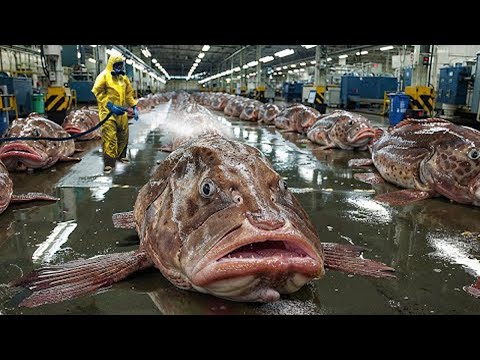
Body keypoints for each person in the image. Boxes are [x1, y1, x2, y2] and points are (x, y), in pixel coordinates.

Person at [92, 53, 139, 174]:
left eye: (120, 65)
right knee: (110, 137)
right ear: (111, 65)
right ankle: (109, 162)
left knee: (123, 135)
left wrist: (134, 106)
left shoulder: (123, 78)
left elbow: (129, 94)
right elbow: (97, 91)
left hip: (121, 112)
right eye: (116, 65)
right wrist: (109, 105)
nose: (118, 67)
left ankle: (121, 156)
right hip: (108, 112)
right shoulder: (104, 76)